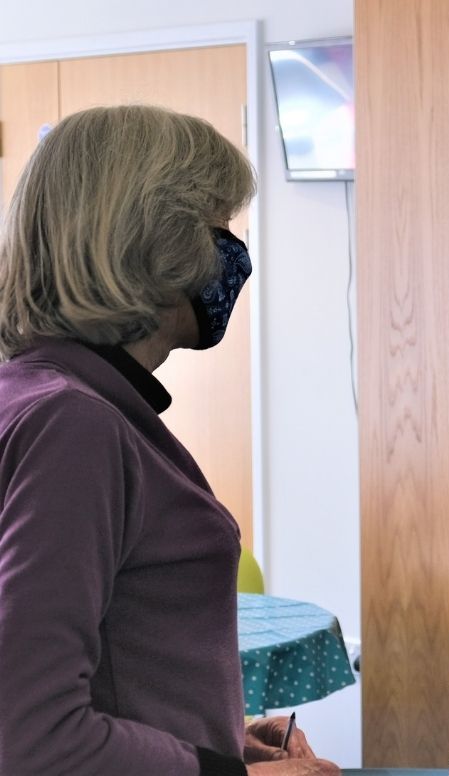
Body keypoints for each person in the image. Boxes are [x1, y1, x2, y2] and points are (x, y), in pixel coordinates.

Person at [0, 105, 340, 776]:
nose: (231, 254)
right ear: (155, 243)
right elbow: (31, 736)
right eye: (219, 229)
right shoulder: (76, 426)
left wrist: (215, 737)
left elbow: (111, 666)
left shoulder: (40, 394)